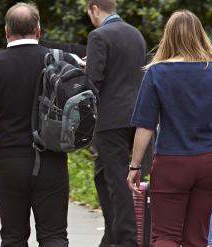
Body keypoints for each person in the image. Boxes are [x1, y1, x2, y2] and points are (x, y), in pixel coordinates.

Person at [0, 3, 77, 246]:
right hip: (51, 160)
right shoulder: (59, 61)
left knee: (13, 237)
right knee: (54, 236)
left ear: (6, 31)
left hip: (9, 163)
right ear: (39, 30)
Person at [127, 10, 212, 247]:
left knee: (165, 236)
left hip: (172, 163)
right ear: (200, 36)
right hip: (209, 163)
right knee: (196, 238)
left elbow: (145, 126)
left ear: (168, 36)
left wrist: (135, 165)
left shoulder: (157, 73)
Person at [85, 1, 148, 246]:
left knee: (117, 182)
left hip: (110, 119)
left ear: (94, 9)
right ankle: (111, 235)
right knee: (102, 175)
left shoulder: (98, 35)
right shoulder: (136, 34)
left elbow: (94, 82)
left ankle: (127, 239)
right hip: (136, 116)